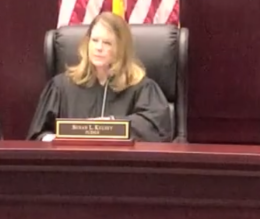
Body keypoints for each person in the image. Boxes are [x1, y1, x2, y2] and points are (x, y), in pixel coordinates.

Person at [27, 12, 174, 142]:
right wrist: (59, 140)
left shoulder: (142, 88)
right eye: (94, 40)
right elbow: (37, 135)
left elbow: (157, 129)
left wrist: (109, 126)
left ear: (121, 49)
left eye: (107, 43)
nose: (98, 48)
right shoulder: (61, 87)